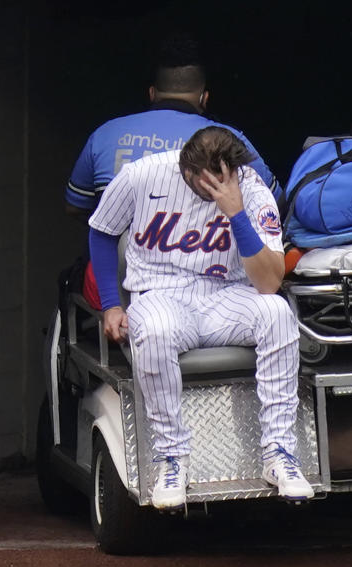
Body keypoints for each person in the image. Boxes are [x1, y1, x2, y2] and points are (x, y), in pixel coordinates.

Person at [88, 126, 313, 510]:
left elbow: (270, 282)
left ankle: (279, 453)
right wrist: (111, 303)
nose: (208, 187)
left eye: (218, 179)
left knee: (277, 313)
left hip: (227, 297)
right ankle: (171, 458)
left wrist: (236, 214)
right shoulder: (144, 174)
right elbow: (102, 230)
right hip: (161, 294)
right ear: (186, 167)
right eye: (200, 179)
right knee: (155, 330)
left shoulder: (252, 189)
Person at [66, 35, 281, 309]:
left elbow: (76, 207)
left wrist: (130, 228)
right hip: (210, 282)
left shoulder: (105, 133)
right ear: (205, 98)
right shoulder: (227, 141)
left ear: (152, 94)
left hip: (110, 286)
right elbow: (273, 205)